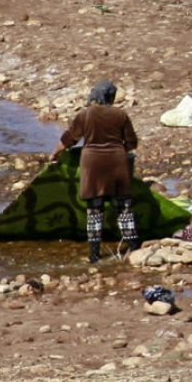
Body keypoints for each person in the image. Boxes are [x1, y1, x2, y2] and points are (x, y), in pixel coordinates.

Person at [55, 79, 140, 263]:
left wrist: (54, 155)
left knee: (95, 210)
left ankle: (94, 254)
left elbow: (69, 139)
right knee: (123, 207)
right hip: (117, 164)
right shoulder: (121, 115)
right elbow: (132, 143)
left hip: (92, 165)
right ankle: (133, 248)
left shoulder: (85, 115)